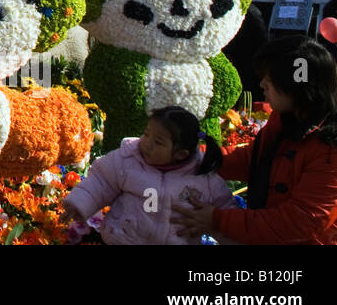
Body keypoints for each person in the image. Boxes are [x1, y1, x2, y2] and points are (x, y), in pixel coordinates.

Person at [171, 35, 337, 243]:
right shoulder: (289, 118)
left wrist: (217, 219)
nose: (262, 84)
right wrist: (191, 157)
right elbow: (253, 159)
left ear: (297, 84)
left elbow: (299, 223)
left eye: (270, 77)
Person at [61, 105, 234, 245]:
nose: (147, 143)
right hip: (124, 239)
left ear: (181, 154)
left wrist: (230, 233)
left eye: (158, 142)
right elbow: (101, 181)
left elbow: (225, 212)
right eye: (146, 134)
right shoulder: (127, 159)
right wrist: (79, 203)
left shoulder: (203, 177)